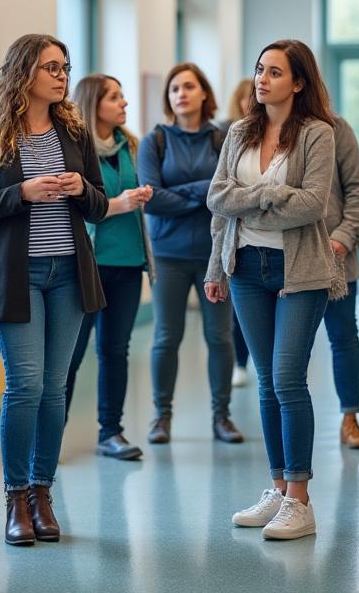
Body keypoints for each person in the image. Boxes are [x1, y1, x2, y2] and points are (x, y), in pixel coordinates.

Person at [0, 33, 109, 546]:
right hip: (17, 277)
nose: (61, 75)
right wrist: (20, 192)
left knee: (55, 388)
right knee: (25, 385)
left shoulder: (74, 130)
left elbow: (99, 205)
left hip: (68, 274)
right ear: (24, 73)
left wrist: (80, 188)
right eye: (51, 67)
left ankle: (43, 492)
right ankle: (15, 496)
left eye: (64, 66)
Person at [205, 39, 345, 540]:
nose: (262, 79)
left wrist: (252, 199)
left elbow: (311, 204)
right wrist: (215, 270)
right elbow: (217, 198)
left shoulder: (317, 134)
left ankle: (301, 501)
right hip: (243, 266)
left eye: (275, 72)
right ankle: (279, 488)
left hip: (298, 268)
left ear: (299, 82)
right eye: (260, 70)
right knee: (266, 381)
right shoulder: (240, 132)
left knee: (288, 380)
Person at [139, 63, 242, 444]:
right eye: (174, 89)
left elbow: (230, 191)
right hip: (168, 254)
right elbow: (151, 199)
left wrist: (182, 194)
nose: (180, 94)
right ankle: (161, 417)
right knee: (167, 336)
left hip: (216, 254)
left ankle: (222, 417)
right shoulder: (155, 141)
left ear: (203, 93)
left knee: (220, 336)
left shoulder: (223, 139)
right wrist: (205, 193)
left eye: (188, 86)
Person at [65, 74, 154, 461]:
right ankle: (52, 435)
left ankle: (110, 432)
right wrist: (120, 203)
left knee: (116, 349)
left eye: (122, 96)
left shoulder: (129, 146)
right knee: (71, 353)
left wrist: (141, 196)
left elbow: (131, 193)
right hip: (88, 263)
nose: (124, 104)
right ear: (94, 103)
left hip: (128, 262)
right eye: (115, 97)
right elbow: (81, 205)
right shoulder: (74, 148)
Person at [324, 115, 359, 449]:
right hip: (281, 259)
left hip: (334, 254)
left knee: (343, 336)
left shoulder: (338, 129)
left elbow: (356, 190)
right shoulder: (264, 127)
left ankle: (350, 418)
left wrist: (343, 237)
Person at [225, 79, 255, 388]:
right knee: (235, 315)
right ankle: (239, 363)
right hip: (237, 239)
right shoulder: (231, 133)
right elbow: (217, 193)